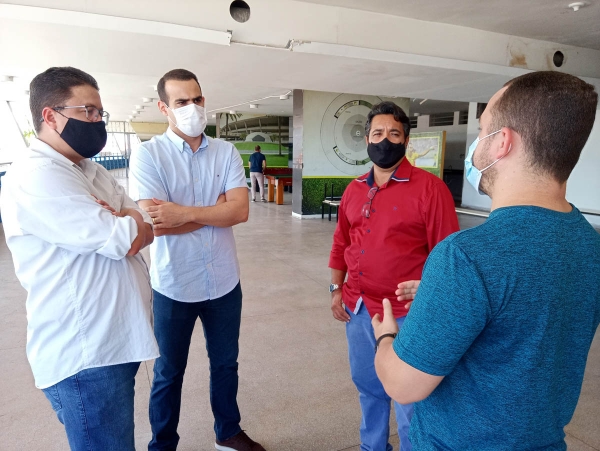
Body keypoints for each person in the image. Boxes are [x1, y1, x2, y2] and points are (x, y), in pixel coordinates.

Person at [372, 71, 600, 450]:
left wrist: (386, 336)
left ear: (502, 142)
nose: (476, 143)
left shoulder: (467, 257)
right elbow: (529, 311)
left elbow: (402, 384)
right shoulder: (590, 245)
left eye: (482, 129)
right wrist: (448, 296)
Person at [0, 66, 158, 450]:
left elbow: (147, 225)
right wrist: (127, 221)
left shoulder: (91, 170)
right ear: (50, 116)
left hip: (114, 342)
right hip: (86, 354)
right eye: (87, 111)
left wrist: (128, 218)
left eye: (100, 112)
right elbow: (125, 238)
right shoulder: (37, 174)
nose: (98, 121)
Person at [129, 69, 264, 451]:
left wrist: (183, 213)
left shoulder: (225, 152)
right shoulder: (149, 155)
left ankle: (228, 432)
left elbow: (240, 212)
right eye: (181, 102)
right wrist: (214, 210)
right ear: (164, 108)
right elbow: (157, 225)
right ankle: (162, 444)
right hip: (174, 285)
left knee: (226, 364)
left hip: (224, 281)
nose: (193, 107)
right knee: (168, 372)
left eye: (197, 99)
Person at [328, 101, 459, 451]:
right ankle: (372, 446)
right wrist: (336, 288)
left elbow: (447, 257)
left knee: (407, 396)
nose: (384, 140)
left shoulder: (430, 189)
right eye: (377, 133)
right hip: (358, 309)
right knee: (368, 387)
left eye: (393, 134)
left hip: (406, 314)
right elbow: (341, 242)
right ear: (366, 140)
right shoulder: (355, 189)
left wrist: (431, 296)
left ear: (406, 141)